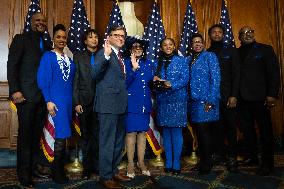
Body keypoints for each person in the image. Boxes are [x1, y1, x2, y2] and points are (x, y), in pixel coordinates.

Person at [7, 12, 52, 187]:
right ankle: (23, 175)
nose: (41, 23)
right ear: (30, 23)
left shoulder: (47, 45)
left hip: (42, 98)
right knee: (25, 137)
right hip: (25, 97)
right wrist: (15, 90)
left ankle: (32, 168)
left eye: (43, 20)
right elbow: (12, 66)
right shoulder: (21, 39)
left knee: (36, 137)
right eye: (37, 20)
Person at [237, 26, 280, 176]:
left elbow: (274, 73)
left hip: (261, 98)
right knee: (247, 131)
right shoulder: (236, 52)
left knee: (265, 132)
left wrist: (272, 94)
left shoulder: (265, 49)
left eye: (250, 32)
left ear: (254, 34)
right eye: (244, 33)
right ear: (239, 37)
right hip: (242, 99)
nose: (248, 35)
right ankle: (252, 157)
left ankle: (268, 164)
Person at [92, 26, 131, 189]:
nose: (120, 38)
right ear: (109, 37)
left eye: (123, 36)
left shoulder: (120, 56)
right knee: (108, 141)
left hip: (120, 105)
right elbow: (94, 74)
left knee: (118, 141)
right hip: (108, 105)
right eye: (117, 35)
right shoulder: (104, 53)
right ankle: (105, 176)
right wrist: (106, 56)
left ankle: (113, 170)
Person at [37, 24, 76, 184]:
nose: (61, 39)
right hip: (55, 103)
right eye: (58, 37)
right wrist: (48, 101)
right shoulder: (48, 56)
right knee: (58, 137)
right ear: (53, 38)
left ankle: (58, 168)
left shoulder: (69, 59)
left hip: (68, 103)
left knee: (64, 137)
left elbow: (72, 82)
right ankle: (55, 170)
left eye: (64, 37)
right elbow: (43, 80)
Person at [207, 24, 240, 172]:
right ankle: (218, 154)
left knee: (230, 128)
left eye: (220, 32)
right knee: (215, 128)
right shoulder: (206, 52)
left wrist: (234, 95)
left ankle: (232, 157)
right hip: (213, 98)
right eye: (214, 32)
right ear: (210, 35)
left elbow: (237, 75)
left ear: (223, 34)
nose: (217, 34)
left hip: (228, 97)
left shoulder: (231, 51)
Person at [154, 38, 189, 175]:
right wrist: (156, 83)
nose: (168, 47)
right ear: (161, 48)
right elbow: (154, 83)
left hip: (177, 101)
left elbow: (185, 79)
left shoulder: (182, 61)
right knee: (166, 133)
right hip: (162, 101)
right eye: (165, 45)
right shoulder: (158, 62)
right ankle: (168, 162)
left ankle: (176, 163)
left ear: (174, 46)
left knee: (176, 132)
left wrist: (170, 84)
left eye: (170, 44)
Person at [188, 33, 221, 175]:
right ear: (191, 45)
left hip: (206, 101)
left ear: (204, 43)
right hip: (193, 102)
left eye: (200, 42)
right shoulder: (190, 59)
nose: (197, 44)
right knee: (199, 133)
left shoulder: (210, 56)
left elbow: (216, 78)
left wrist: (211, 100)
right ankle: (203, 160)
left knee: (204, 132)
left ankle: (207, 163)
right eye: (195, 42)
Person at [124, 37, 153, 179]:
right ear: (130, 49)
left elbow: (151, 82)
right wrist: (133, 69)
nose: (137, 48)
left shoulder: (149, 63)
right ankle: (130, 163)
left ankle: (141, 162)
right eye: (134, 46)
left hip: (145, 103)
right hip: (131, 104)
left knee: (142, 133)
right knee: (131, 134)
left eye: (140, 46)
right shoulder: (125, 63)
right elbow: (124, 83)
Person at [73, 28, 100, 179]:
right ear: (85, 41)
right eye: (91, 37)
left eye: (96, 37)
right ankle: (87, 168)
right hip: (83, 101)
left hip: (101, 101)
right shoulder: (78, 56)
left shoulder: (103, 54)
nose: (94, 40)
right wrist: (76, 101)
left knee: (98, 135)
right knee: (86, 136)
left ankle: (97, 166)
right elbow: (75, 80)